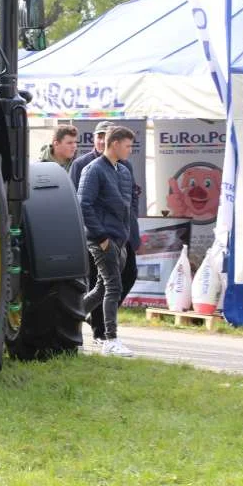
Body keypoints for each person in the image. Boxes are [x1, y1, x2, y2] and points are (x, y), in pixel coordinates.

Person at [70, 120, 142, 346]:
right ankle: (107, 337)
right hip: (99, 238)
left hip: (121, 237)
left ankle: (72, 317)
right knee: (111, 286)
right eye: (128, 146)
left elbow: (129, 201)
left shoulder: (123, 168)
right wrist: (100, 238)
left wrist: (130, 232)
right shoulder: (87, 166)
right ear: (115, 143)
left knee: (112, 283)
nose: (131, 150)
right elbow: (81, 204)